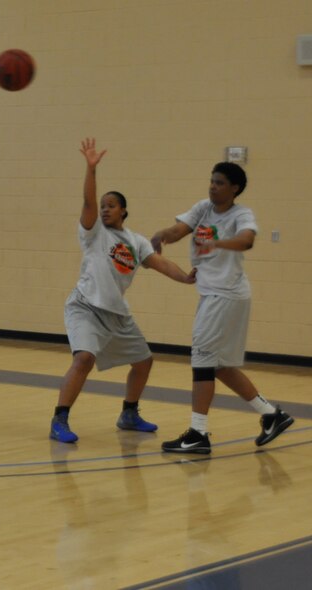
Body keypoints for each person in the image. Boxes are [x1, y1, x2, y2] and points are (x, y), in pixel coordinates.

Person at [51, 138, 197, 443]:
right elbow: (88, 203)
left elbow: (159, 263)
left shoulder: (136, 241)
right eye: (103, 205)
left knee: (144, 362)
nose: (104, 209)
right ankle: (59, 419)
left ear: (123, 211)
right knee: (84, 359)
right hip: (85, 307)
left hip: (116, 312)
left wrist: (185, 277)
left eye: (111, 205)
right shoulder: (94, 233)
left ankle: (129, 413)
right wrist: (91, 169)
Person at [153, 161, 293, 454]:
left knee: (202, 359)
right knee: (220, 366)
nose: (213, 186)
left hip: (225, 295)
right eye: (212, 181)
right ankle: (271, 414)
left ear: (234, 188)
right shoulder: (203, 208)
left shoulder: (242, 214)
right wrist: (163, 234)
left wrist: (218, 243)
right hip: (216, 296)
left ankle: (198, 433)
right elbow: (181, 229)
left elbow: (246, 241)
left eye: (219, 183)